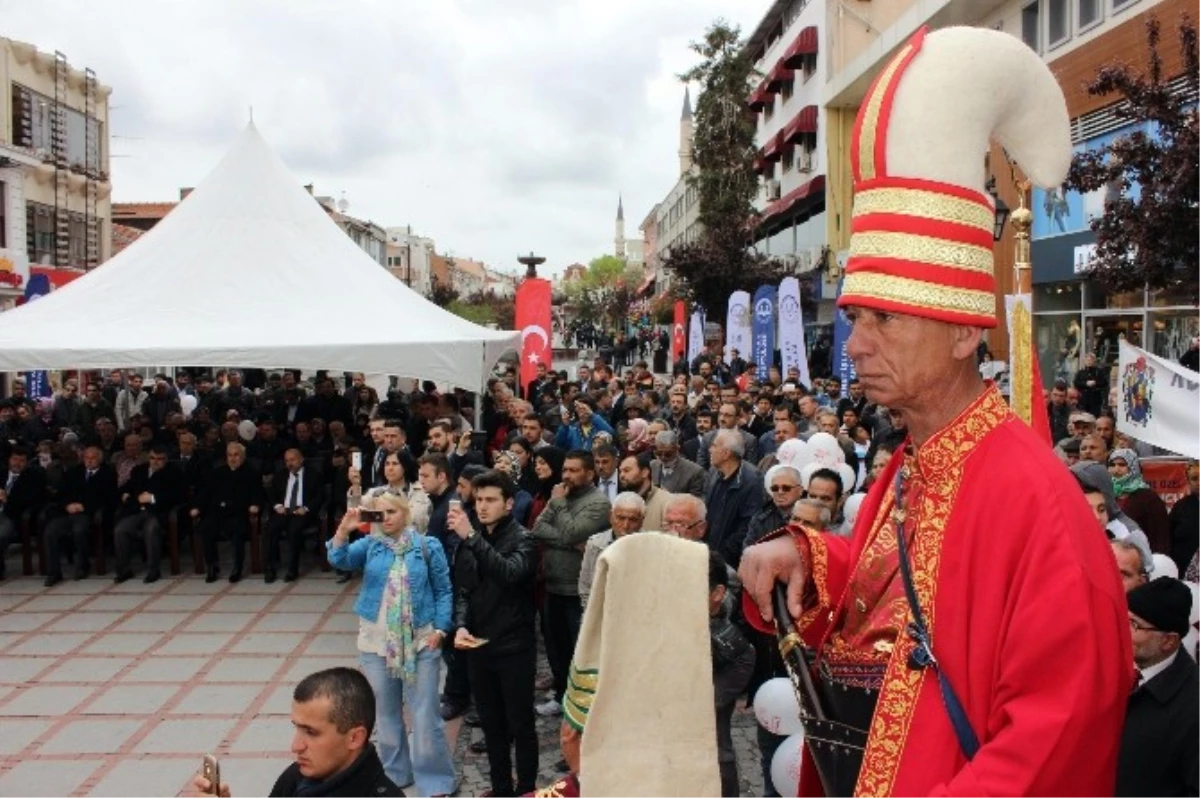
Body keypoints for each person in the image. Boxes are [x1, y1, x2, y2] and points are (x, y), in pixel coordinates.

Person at [739, 27, 1129, 797]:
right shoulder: (914, 460)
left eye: (883, 319)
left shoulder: (1034, 500)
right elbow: (893, 599)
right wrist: (811, 562)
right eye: (854, 318)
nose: (855, 345)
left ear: (961, 332)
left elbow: (1061, 730)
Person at [326, 494, 457, 796]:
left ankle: (435, 781)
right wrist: (344, 530)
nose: (385, 518)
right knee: (385, 713)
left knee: (425, 715)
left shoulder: (427, 546)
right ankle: (395, 773)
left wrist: (440, 628)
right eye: (378, 513)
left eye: (391, 512)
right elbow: (339, 559)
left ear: (406, 513)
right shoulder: (371, 545)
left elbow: (444, 589)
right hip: (376, 641)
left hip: (421, 640)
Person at [447, 469, 539, 798]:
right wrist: (459, 626)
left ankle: (526, 789)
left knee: (520, 724)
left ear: (509, 503)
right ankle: (501, 789)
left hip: (514, 647)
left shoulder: (524, 539)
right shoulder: (473, 538)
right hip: (478, 646)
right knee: (491, 725)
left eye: (490, 500)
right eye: (479, 500)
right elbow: (464, 591)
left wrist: (471, 538)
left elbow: (509, 573)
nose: (482, 506)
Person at [190, 667, 407, 798]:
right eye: (297, 728)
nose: (296, 746)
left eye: (311, 732)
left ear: (354, 737)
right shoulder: (296, 777)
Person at [530, 450, 610, 717]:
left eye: (574, 470)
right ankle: (562, 695)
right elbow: (538, 529)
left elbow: (574, 532)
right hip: (552, 586)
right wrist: (567, 539)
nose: (566, 475)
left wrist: (560, 507)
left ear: (590, 474)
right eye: (565, 469)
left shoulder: (597, 503)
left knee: (580, 651)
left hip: (577, 590)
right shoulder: (559, 497)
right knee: (556, 649)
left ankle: (583, 704)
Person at [1116, 578, 1200, 798]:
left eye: (1134, 625)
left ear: (1168, 641)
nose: (1122, 631)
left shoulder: (1192, 707)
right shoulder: (1117, 669)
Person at [578, 491, 645, 609]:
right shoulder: (595, 544)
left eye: (633, 519)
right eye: (620, 518)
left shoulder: (650, 547)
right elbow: (585, 585)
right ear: (611, 516)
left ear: (641, 521)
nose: (625, 525)